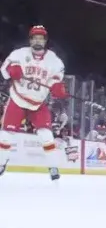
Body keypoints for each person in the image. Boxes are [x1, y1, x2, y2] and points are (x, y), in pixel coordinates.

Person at [0, 25, 67, 180]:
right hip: (18, 99)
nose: (38, 41)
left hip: (38, 103)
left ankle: (53, 167)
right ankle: (1, 163)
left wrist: (57, 87)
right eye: (35, 38)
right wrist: (11, 70)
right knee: (5, 136)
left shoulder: (54, 60)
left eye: (41, 38)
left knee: (46, 135)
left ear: (45, 41)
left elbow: (55, 79)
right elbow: (4, 71)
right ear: (30, 40)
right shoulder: (19, 54)